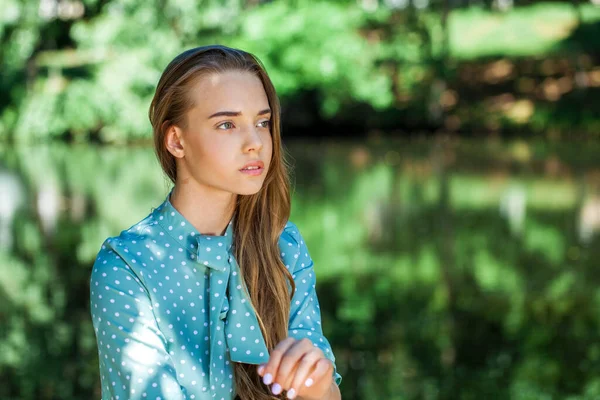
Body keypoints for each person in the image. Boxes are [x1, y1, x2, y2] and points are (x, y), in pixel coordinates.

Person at [89, 45, 342, 400]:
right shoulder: (128, 267)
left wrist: (315, 383)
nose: (255, 142)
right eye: (227, 124)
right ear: (177, 140)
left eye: (263, 122)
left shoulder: (284, 244)